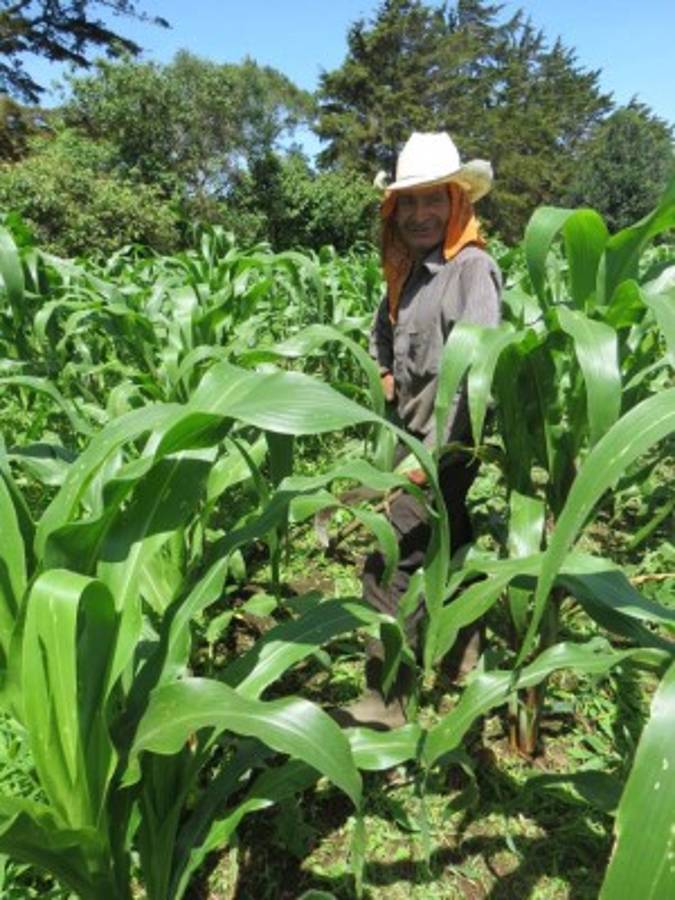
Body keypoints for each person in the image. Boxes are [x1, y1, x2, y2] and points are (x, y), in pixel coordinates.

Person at [336, 131, 502, 729]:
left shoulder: (471, 271)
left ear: (457, 202)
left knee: (387, 565)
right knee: (448, 546)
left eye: (433, 199)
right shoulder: (405, 269)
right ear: (395, 209)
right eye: (409, 202)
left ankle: (387, 703)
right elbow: (383, 331)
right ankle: (463, 653)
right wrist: (384, 370)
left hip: (448, 448)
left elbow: (472, 382)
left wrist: (421, 463)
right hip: (413, 442)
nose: (420, 213)